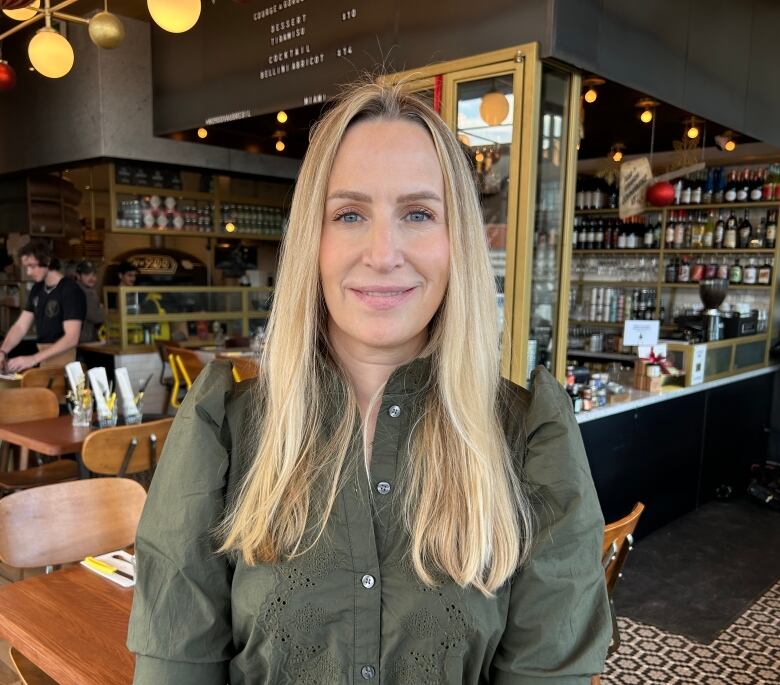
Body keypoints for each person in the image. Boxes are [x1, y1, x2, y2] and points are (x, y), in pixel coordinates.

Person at [128, 82, 611, 684]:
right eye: (350, 214)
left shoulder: (529, 437)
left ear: (456, 241)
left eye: (418, 213)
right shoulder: (224, 431)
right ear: (314, 240)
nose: (383, 253)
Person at [0, 241, 86, 372]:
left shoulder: (70, 290)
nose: (28, 272)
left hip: (67, 362)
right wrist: (3, 351)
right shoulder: (37, 289)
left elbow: (71, 338)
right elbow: (20, 326)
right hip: (45, 359)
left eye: (32, 266)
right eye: (26, 267)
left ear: (47, 260)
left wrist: (33, 359)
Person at [75, 260, 105, 343]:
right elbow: (97, 317)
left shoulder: (88, 291)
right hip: (83, 341)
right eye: (87, 274)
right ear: (78, 276)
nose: (92, 278)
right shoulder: (82, 292)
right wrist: (104, 310)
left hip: (83, 339)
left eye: (94, 274)